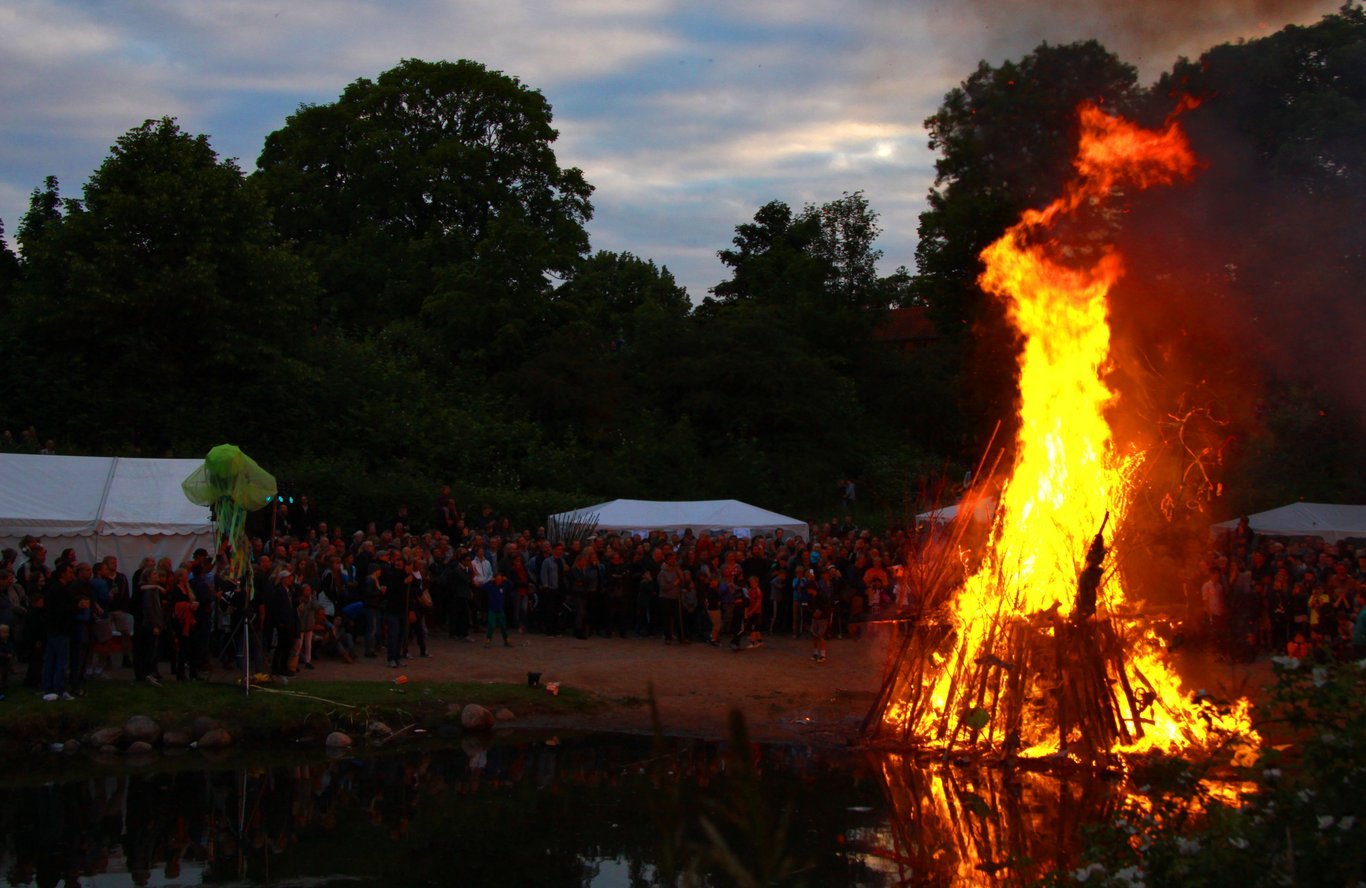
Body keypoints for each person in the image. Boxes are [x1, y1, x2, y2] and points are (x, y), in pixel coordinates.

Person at [484, 571, 512, 647]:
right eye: (497, 578)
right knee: (491, 625)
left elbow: (511, 585)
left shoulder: (503, 586)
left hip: (500, 610)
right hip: (492, 610)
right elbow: (483, 586)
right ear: (495, 579)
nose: (499, 580)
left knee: (503, 626)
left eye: (500, 579)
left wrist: (507, 580)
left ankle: (506, 640)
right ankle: (488, 640)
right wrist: (490, 580)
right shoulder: (491, 587)